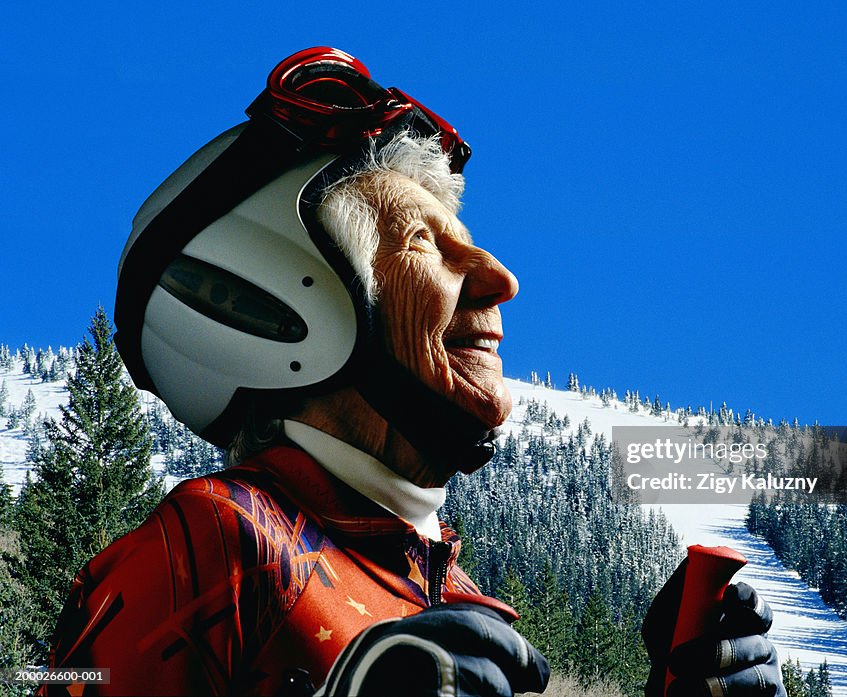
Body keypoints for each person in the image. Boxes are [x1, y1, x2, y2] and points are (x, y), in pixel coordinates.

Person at [44, 48, 786, 696]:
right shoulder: (211, 544)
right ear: (296, 293)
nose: (501, 278)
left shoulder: (461, 601)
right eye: (429, 246)